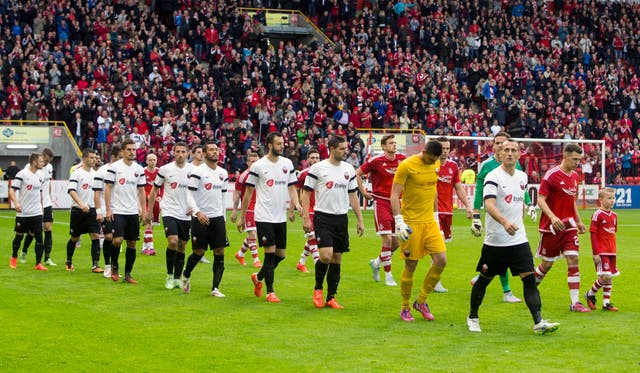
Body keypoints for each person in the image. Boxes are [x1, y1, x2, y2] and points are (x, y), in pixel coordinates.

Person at [466, 139, 559, 335]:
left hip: (519, 240)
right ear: (499, 153)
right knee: (484, 279)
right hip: (496, 241)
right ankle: (473, 317)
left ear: (519, 154)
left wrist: (527, 209)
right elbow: (489, 204)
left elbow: (519, 201)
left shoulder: (522, 177)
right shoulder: (493, 176)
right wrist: (505, 222)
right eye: (505, 149)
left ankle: (539, 322)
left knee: (529, 279)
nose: (509, 153)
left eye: (513, 150)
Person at [470, 132, 535, 303]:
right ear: (493, 146)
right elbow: (479, 190)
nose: (500, 146)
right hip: (496, 218)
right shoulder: (487, 166)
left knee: (508, 253)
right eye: (497, 143)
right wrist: (476, 214)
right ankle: (490, 282)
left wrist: (529, 205)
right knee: (498, 253)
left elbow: (521, 187)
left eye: (502, 143)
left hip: (513, 219)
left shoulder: (516, 165)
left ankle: (501, 288)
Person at [237, 131, 301, 303]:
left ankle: (258, 277)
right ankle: (270, 292)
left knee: (281, 255)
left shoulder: (287, 163)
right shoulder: (258, 166)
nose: (283, 146)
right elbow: (248, 192)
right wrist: (242, 217)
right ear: (270, 145)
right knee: (270, 254)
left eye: (283, 143)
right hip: (263, 216)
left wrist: (296, 205)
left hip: (280, 217)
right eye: (279, 143)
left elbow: (292, 188)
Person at [303, 136, 364, 309]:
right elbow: (306, 193)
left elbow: (353, 195)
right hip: (323, 217)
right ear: (331, 148)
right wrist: (306, 218)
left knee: (337, 258)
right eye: (342, 148)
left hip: (341, 218)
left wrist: (359, 220)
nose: (346, 151)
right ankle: (318, 289)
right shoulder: (318, 168)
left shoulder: (349, 169)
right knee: (326, 256)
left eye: (346, 148)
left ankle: (331, 297)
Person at [391, 140, 446, 322]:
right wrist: (398, 221)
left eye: (435, 160)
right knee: (411, 265)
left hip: (429, 222)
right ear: (424, 152)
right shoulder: (407, 166)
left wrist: (436, 217)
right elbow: (394, 194)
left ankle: (421, 301)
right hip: (411, 223)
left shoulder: (435, 163)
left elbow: (434, 190)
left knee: (441, 260)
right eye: (431, 159)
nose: (433, 162)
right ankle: (404, 306)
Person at [534, 143, 590, 312]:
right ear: (565, 156)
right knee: (546, 265)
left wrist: (579, 221)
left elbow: (572, 201)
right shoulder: (552, 175)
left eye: (579, 160)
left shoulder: (574, 177)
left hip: (569, 227)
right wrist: (552, 217)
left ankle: (575, 302)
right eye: (574, 159)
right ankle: (530, 287)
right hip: (552, 227)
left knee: (573, 259)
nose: (577, 163)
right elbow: (540, 199)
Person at [356, 134, 406, 286]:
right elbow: (358, 173)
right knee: (387, 240)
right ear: (383, 146)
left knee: (396, 243)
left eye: (394, 142)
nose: (393, 145)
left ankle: (377, 263)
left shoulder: (402, 159)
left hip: (397, 204)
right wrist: (364, 192)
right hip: (382, 202)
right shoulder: (376, 161)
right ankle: (388, 276)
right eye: (390, 143)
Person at [182, 142, 229, 296]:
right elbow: (189, 194)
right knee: (199, 252)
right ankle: (186, 275)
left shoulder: (223, 173)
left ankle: (215, 288)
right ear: (204, 153)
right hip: (200, 218)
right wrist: (197, 212)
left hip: (217, 218)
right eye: (211, 150)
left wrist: (223, 218)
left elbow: (222, 197)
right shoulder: (198, 172)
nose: (215, 152)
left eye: (216, 149)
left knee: (219, 251)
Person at [147, 142, 194, 290]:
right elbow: (154, 190)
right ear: (173, 153)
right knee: (173, 241)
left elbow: (199, 191)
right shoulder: (166, 169)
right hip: (169, 210)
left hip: (186, 214)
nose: (180, 154)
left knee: (182, 245)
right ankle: (169, 275)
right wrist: (149, 211)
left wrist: (194, 207)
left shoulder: (194, 170)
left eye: (183, 152)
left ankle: (177, 278)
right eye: (178, 151)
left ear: (187, 153)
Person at [104, 138, 147, 283]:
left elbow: (141, 191)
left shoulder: (139, 169)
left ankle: (128, 274)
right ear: (122, 151)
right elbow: (108, 188)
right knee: (117, 240)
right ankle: (115, 267)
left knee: (132, 243)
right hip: (118, 210)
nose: (131, 152)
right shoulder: (115, 167)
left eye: (134, 150)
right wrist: (108, 209)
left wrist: (143, 210)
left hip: (133, 212)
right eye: (128, 150)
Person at [434, 136, 474, 292]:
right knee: (439, 249)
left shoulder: (453, 166)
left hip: (447, 213)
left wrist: (468, 206)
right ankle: (435, 281)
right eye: (442, 148)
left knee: (441, 248)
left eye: (447, 148)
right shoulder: (430, 165)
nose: (444, 151)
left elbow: (458, 188)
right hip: (433, 213)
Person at [65, 149, 102, 272]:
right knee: (75, 237)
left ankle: (95, 265)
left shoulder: (96, 174)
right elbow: (71, 190)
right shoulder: (77, 173)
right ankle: (69, 261)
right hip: (78, 210)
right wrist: (81, 204)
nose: (94, 160)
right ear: (84, 158)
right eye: (91, 157)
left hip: (92, 210)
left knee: (95, 235)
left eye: (95, 158)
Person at [9, 153, 46, 270]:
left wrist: (41, 207)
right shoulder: (22, 174)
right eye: (41, 161)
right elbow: (12, 190)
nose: (43, 163)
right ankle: (14, 258)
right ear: (34, 162)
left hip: (37, 213)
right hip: (23, 213)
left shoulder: (41, 175)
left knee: (39, 237)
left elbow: (39, 192)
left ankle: (38, 263)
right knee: (19, 236)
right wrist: (16, 203)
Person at [20, 148, 56, 266]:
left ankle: (47, 258)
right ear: (42, 156)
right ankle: (24, 251)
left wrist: (49, 199)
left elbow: (48, 184)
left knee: (48, 228)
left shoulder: (49, 168)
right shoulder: (28, 168)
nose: (46, 163)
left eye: (48, 161)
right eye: (45, 160)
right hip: (35, 204)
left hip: (46, 203)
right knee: (32, 232)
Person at [584, 188, 619, 311]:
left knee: (609, 276)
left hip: (611, 251)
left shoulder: (614, 216)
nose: (612, 201)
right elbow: (593, 233)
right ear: (601, 200)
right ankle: (590, 294)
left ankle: (606, 303)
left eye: (613, 198)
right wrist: (595, 253)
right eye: (609, 198)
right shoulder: (597, 214)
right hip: (601, 251)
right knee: (606, 276)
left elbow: (613, 232)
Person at [93, 145, 123, 279]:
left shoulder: (124, 170)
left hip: (120, 210)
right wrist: (99, 211)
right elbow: (97, 193)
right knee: (108, 237)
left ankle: (114, 267)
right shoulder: (102, 171)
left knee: (118, 240)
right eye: (120, 157)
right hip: (106, 210)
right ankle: (107, 266)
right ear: (114, 157)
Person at [230, 151, 262, 268]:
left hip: (261, 208)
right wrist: (234, 211)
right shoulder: (243, 176)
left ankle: (240, 254)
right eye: (252, 161)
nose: (255, 164)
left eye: (257, 161)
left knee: (254, 235)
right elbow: (237, 195)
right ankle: (256, 260)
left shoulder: (262, 175)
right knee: (252, 234)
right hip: (248, 208)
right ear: (248, 162)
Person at [295, 148, 321, 272]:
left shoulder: (323, 172)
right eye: (313, 158)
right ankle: (318, 264)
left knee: (313, 236)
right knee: (312, 237)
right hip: (308, 209)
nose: (315, 160)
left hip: (320, 209)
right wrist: (297, 207)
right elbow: (297, 191)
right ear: (307, 160)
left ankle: (301, 262)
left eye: (317, 157)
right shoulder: (303, 174)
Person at [190, 144, 210, 264]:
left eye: (201, 152)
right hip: (190, 205)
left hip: (201, 206)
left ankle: (200, 255)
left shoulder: (205, 168)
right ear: (192, 154)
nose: (200, 154)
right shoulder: (190, 168)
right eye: (197, 152)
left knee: (202, 231)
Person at [142, 153, 161, 255]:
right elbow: (141, 187)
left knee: (152, 225)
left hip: (156, 202)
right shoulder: (143, 172)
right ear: (146, 161)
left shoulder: (159, 172)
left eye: (154, 160)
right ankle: (151, 248)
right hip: (145, 201)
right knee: (148, 223)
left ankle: (144, 247)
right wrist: (147, 195)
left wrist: (160, 196)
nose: (152, 162)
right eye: (150, 160)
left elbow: (162, 187)